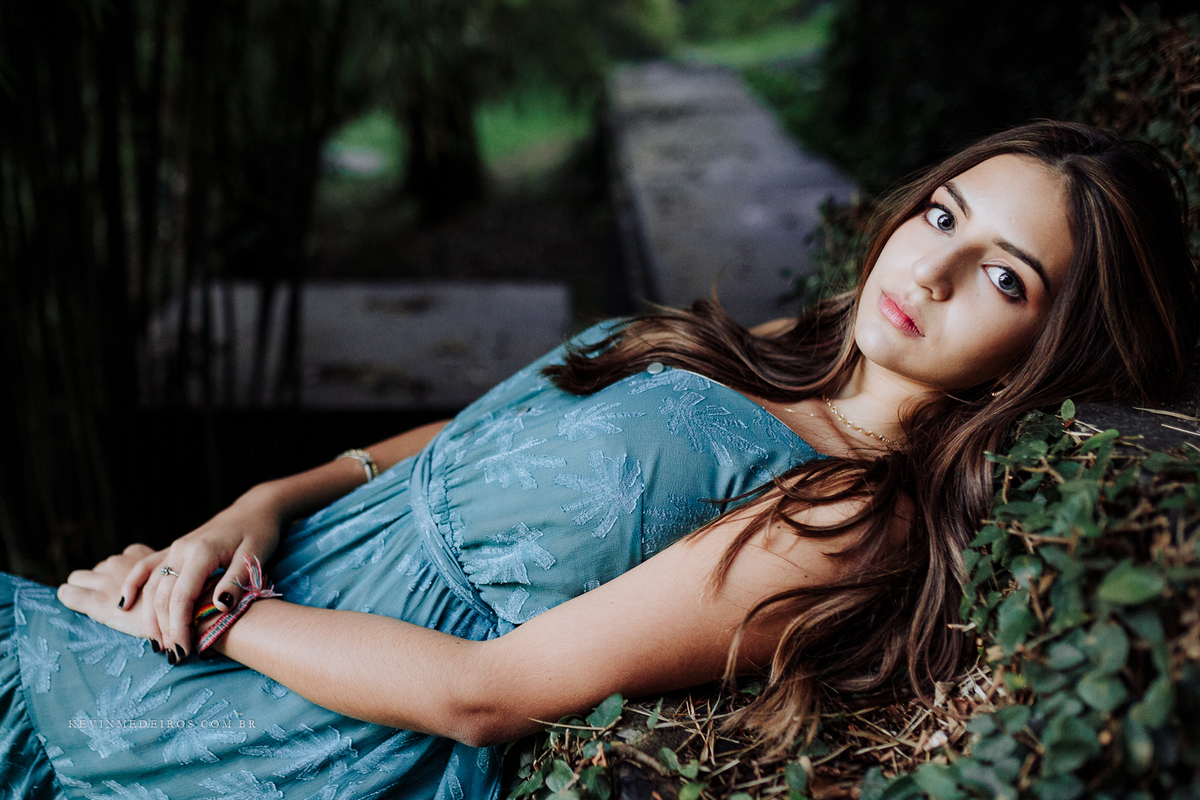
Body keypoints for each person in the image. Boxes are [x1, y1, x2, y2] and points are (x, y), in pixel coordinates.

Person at [3, 120, 1196, 799]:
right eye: (943, 214)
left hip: (298, 716)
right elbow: (475, 437)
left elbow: (488, 694)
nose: (929, 270)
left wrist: (205, 613)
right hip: (265, 584)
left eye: (1003, 279)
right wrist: (258, 506)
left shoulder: (855, 510)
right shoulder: (801, 344)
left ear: (1052, 348)